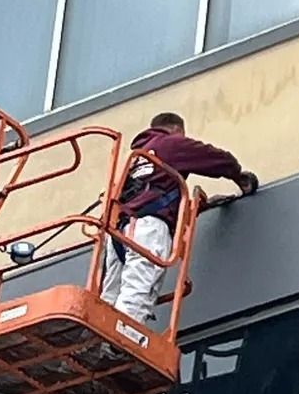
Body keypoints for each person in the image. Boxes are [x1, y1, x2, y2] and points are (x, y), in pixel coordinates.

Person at [100, 112, 258, 325]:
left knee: (110, 294)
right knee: (139, 287)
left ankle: (99, 338)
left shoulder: (137, 157)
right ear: (176, 129)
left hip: (119, 232)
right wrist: (238, 175)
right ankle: (120, 340)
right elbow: (216, 159)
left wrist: (199, 207)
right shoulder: (171, 144)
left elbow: (148, 191)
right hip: (148, 227)